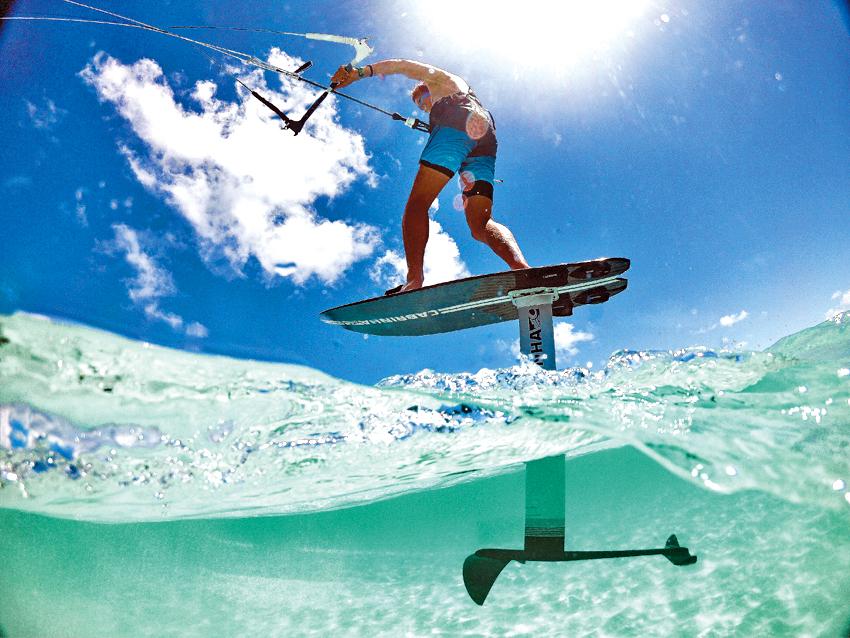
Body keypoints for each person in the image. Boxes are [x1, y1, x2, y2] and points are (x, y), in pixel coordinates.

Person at [332, 60, 530, 293]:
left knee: (417, 204)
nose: (424, 107)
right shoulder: (456, 98)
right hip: (484, 137)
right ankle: (522, 270)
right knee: (480, 225)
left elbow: (404, 65)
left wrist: (360, 72)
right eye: (420, 106)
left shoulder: (443, 81)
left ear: (428, 86)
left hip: (459, 120)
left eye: (422, 100)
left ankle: (413, 281)